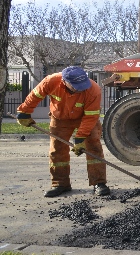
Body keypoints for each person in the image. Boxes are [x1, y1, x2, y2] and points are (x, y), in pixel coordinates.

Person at [16, 66, 110, 197]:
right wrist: (24, 112)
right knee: (57, 150)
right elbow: (35, 95)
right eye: (76, 86)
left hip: (85, 118)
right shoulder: (51, 81)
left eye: (82, 85)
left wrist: (80, 138)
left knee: (94, 147)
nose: (80, 89)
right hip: (59, 118)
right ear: (64, 81)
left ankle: (99, 183)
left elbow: (91, 117)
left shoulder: (93, 89)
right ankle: (60, 184)